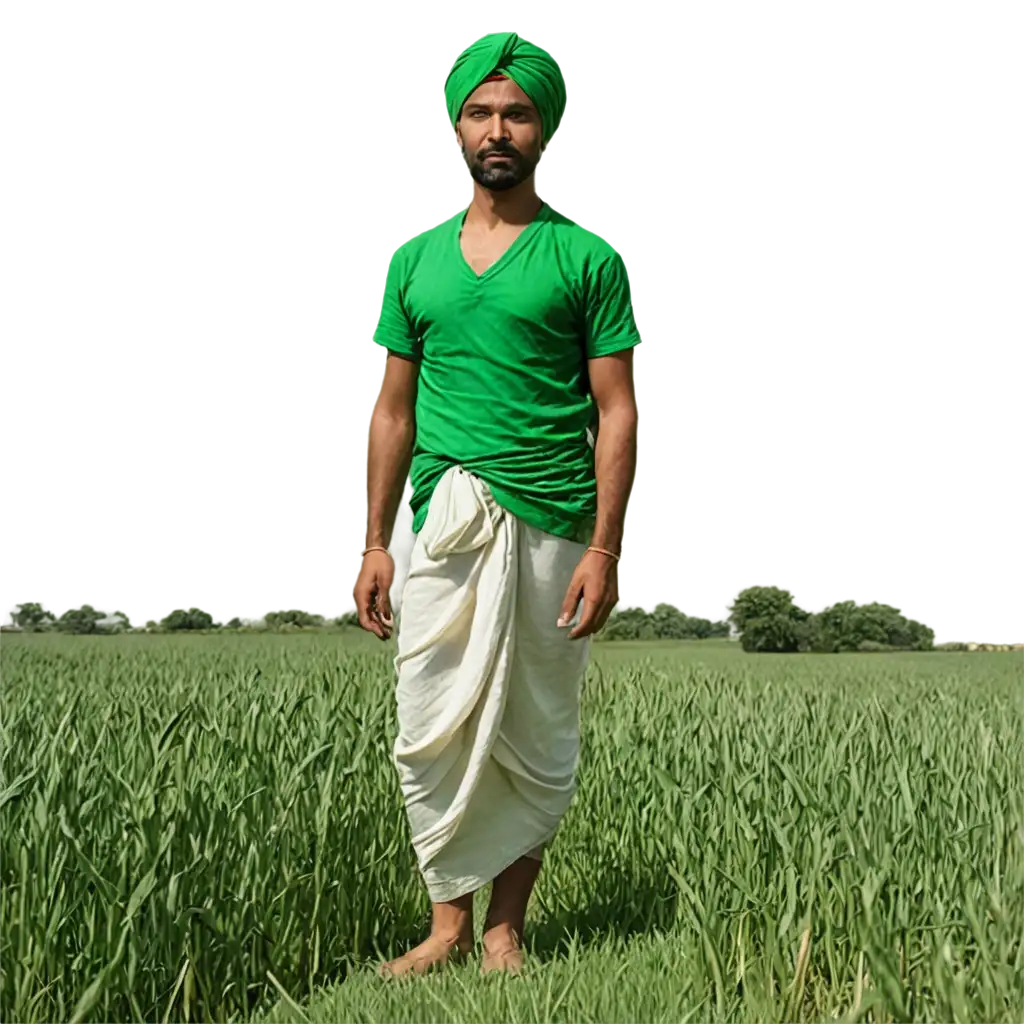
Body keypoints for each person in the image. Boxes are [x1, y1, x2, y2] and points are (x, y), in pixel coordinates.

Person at [354, 27, 639, 978]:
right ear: (457, 131)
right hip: (447, 520)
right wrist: (373, 541)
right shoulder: (415, 260)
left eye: (516, 111)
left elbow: (619, 409)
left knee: (534, 723)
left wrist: (606, 550)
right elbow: (391, 411)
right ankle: (445, 927)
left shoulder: (584, 255)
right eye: (480, 111)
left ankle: (505, 930)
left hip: (554, 518)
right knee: (428, 717)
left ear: (541, 129)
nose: (498, 128)